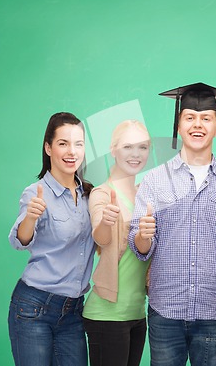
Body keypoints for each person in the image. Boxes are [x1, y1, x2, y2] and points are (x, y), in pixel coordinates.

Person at [128, 82, 216, 366]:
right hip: (165, 312)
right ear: (179, 124)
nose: (198, 124)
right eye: (190, 118)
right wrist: (143, 236)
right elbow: (140, 245)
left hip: (213, 312)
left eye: (206, 118)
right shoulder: (155, 180)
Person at [8, 112, 96, 366]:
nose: (72, 151)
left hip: (73, 312)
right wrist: (30, 218)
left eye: (78, 144)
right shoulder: (36, 193)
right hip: (33, 307)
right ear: (48, 148)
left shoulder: (90, 194)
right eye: (63, 143)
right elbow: (20, 241)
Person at [82, 120, 151, 366]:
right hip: (106, 315)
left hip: (136, 313)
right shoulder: (102, 193)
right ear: (113, 149)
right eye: (128, 147)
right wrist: (105, 222)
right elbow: (100, 237)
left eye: (142, 147)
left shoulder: (147, 193)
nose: (135, 154)